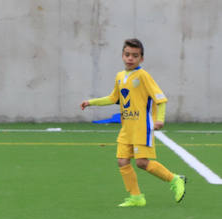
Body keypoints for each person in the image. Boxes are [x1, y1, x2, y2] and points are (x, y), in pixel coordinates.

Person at [80, 38, 187, 207]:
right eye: (127, 54)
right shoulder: (120, 76)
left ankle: (175, 179)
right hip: (127, 127)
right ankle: (136, 197)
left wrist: (160, 120)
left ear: (141, 59)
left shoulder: (143, 76)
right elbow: (113, 98)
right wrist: (91, 102)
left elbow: (161, 99)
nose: (130, 58)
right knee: (122, 161)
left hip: (141, 126)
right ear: (122, 55)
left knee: (141, 162)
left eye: (135, 56)